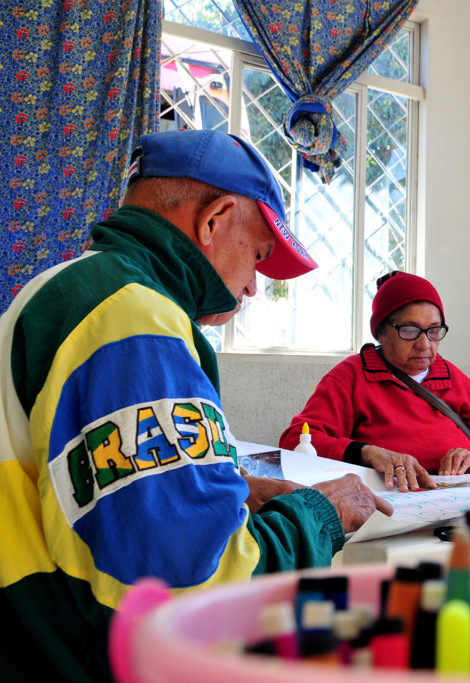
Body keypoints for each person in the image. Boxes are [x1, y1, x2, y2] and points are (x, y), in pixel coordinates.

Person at [0, 129, 393, 682]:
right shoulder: (134, 320)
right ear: (214, 220)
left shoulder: (56, 289)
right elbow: (197, 592)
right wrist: (318, 514)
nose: (254, 287)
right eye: (257, 255)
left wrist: (228, 490)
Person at [280, 271, 470, 492]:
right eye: (410, 331)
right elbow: (295, 440)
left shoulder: (454, 379)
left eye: (434, 331)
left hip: (456, 501)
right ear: (381, 332)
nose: (425, 344)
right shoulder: (352, 376)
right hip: (383, 502)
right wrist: (366, 452)